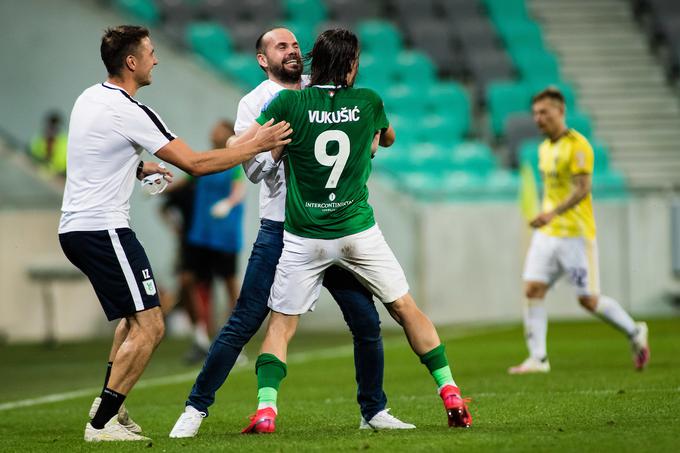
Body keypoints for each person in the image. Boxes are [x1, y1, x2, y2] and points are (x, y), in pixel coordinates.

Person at [169, 28, 413, 439]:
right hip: (281, 229)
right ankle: (195, 408)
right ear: (263, 60)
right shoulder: (255, 103)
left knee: (366, 322)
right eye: (282, 47)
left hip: (332, 225)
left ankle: (374, 409)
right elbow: (253, 171)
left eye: (296, 45)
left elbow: (371, 134)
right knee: (245, 320)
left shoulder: (319, 90)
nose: (293, 51)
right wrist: (269, 144)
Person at [58, 25, 291, 442]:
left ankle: (111, 407)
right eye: (150, 52)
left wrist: (138, 166)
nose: (156, 59)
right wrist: (259, 144)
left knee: (134, 321)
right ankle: (101, 425)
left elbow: (91, 153)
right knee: (151, 326)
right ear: (131, 62)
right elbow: (197, 164)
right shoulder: (129, 109)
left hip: (82, 227)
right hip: (101, 228)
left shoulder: (90, 97)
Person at [236, 28, 472, 434]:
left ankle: (266, 410)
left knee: (281, 325)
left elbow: (254, 145)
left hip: (305, 234)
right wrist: (367, 138)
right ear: (351, 65)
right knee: (404, 308)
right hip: (356, 231)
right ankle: (449, 390)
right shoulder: (368, 102)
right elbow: (388, 139)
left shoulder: (289, 102)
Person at [509, 87, 650, 374]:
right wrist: (545, 216)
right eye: (535, 113)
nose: (538, 118)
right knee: (532, 288)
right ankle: (538, 358)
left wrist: (551, 213)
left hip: (575, 234)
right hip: (547, 235)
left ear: (560, 112)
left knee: (588, 300)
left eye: (544, 112)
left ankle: (635, 331)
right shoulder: (544, 148)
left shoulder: (578, 145)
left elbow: (582, 189)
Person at [183, 119, 246, 363]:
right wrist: (161, 184)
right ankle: (201, 337)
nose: (213, 131)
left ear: (229, 134)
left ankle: (234, 342)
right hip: (200, 234)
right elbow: (187, 180)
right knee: (188, 280)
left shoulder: (234, 161)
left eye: (218, 128)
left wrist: (228, 203)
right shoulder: (205, 158)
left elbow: (239, 188)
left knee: (230, 286)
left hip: (224, 235)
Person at [30, 110, 68, 176]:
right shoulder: (39, 139)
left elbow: (61, 167)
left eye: (54, 127)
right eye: (50, 126)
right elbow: (31, 154)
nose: (51, 130)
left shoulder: (65, 144)